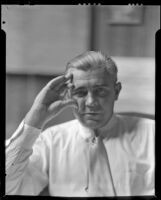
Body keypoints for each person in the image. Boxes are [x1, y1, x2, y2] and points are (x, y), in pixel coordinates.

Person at [6, 51, 155, 197]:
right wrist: (35, 118)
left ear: (116, 91)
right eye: (80, 93)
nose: (91, 102)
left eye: (101, 91)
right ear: (69, 94)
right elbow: (8, 188)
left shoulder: (151, 134)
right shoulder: (51, 141)